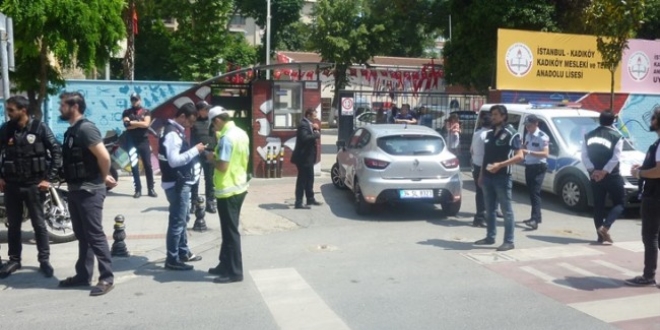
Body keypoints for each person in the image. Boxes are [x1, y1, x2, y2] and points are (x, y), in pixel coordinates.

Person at [58, 91, 117, 296]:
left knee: (94, 235)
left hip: (89, 190)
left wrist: (102, 177)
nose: (60, 108)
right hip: (75, 190)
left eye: (63, 104)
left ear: (74, 106)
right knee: (83, 236)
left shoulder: (86, 129)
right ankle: (83, 275)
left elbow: (104, 157)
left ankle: (106, 278)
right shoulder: (72, 131)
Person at [0, 95, 62, 279]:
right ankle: (14, 260)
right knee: (14, 225)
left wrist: (48, 179)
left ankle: (44, 260)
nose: (8, 113)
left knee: (39, 224)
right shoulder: (6, 129)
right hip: (12, 185)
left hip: (35, 185)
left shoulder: (39, 128)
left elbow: (56, 151)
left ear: (23, 110)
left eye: (11, 110)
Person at [205, 107, 250, 283]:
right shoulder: (240, 133)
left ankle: (235, 272)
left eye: (213, 125)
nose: (213, 129)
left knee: (230, 232)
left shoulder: (226, 138)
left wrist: (210, 158)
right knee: (227, 230)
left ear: (217, 120)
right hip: (239, 186)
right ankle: (224, 264)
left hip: (228, 189)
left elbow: (222, 166)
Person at [158, 103, 204, 271]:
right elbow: (174, 160)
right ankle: (172, 258)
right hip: (176, 184)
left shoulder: (173, 130)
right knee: (177, 221)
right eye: (190, 122)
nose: (191, 126)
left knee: (183, 219)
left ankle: (183, 252)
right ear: (182, 116)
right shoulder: (172, 133)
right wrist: (195, 151)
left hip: (178, 182)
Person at [474, 105, 523, 252]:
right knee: (489, 209)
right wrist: (482, 174)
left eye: (495, 114)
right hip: (488, 177)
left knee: (506, 211)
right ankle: (490, 237)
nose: (493, 117)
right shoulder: (489, 134)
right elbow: (486, 157)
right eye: (492, 114)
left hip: (502, 177)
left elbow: (519, 156)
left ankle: (509, 241)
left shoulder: (512, 133)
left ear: (503, 116)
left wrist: (500, 165)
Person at [627, 106, 660, 287]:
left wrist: (640, 174)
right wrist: (645, 166)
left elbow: (658, 171)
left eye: (653, 118)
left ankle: (648, 276)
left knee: (650, 237)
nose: (651, 121)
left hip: (655, 196)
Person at [581, 110, 624, 244]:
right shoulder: (616, 136)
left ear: (599, 120)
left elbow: (584, 155)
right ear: (613, 121)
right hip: (612, 175)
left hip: (594, 176)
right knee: (620, 203)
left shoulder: (588, 135)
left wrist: (594, 171)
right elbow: (616, 157)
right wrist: (604, 171)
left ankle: (600, 236)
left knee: (598, 206)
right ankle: (605, 227)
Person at [122, 93, 156, 199]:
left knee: (148, 165)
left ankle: (151, 189)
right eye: (132, 100)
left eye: (136, 100)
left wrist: (133, 123)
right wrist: (138, 123)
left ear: (140, 100)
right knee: (134, 166)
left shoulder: (146, 111)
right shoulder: (126, 112)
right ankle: (138, 190)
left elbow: (146, 124)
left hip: (143, 141)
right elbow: (127, 126)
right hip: (131, 141)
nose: (134, 101)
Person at [290, 108, 323, 209]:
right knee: (302, 180)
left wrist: (315, 129)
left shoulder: (309, 124)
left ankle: (310, 199)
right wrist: (316, 134)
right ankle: (298, 202)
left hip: (309, 157)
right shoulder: (303, 125)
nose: (315, 117)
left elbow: (310, 134)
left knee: (310, 178)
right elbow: (304, 138)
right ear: (308, 115)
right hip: (303, 158)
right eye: (314, 115)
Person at [521, 115, 550, 230]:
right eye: (527, 126)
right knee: (531, 193)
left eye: (530, 125)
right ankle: (536, 217)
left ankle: (535, 220)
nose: (528, 128)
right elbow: (525, 146)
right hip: (529, 166)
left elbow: (545, 154)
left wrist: (528, 151)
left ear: (536, 124)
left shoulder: (542, 137)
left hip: (538, 167)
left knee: (535, 193)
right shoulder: (528, 135)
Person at [190, 100, 217, 214]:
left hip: (210, 153)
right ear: (200, 111)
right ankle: (194, 203)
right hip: (197, 154)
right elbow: (192, 139)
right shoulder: (194, 123)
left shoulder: (213, 122)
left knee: (210, 179)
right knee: (195, 179)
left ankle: (210, 202)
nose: (208, 111)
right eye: (206, 109)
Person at [470, 113, 492, 228]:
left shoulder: (477, 133)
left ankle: (480, 217)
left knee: (480, 193)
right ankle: (480, 217)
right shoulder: (488, 135)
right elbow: (488, 155)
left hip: (476, 164)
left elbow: (472, 150)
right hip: (484, 166)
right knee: (485, 194)